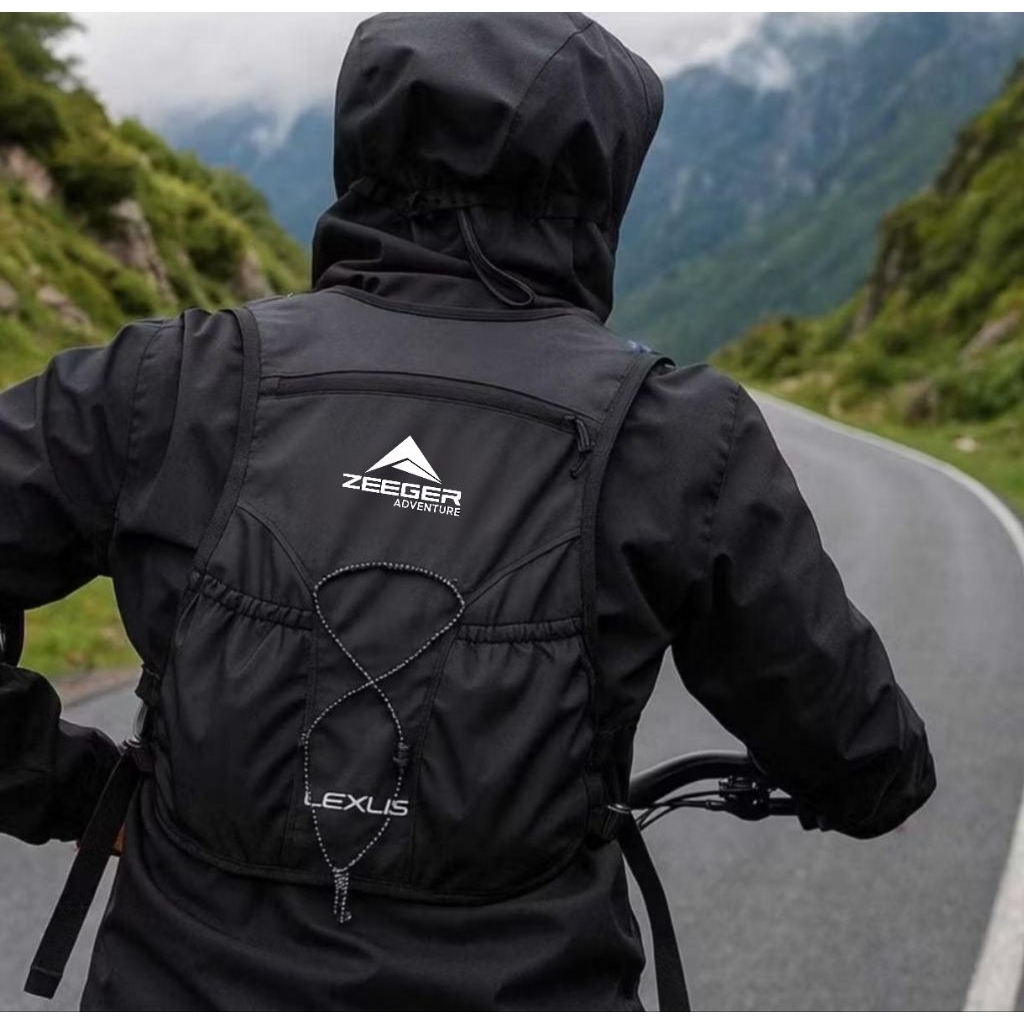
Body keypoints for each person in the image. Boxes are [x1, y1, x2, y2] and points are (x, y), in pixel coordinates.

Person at [0, 12, 934, 1011]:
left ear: (363, 138)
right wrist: (857, 780)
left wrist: (73, 786)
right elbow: (864, 755)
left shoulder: (178, 377)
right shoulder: (675, 432)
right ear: (606, 176)